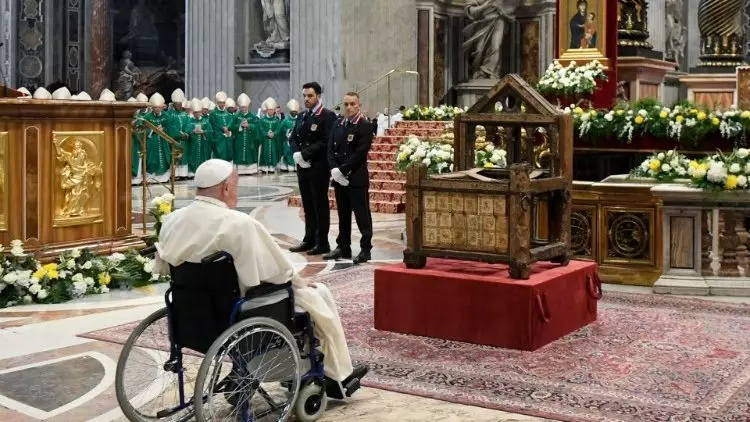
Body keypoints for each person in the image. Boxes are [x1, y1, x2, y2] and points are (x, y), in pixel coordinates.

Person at [154, 159, 368, 386]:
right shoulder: (239, 223)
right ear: (226, 188)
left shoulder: (173, 219)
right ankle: (339, 374)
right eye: (235, 187)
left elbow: (166, 264)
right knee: (318, 293)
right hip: (239, 309)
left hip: (190, 310)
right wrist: (299, 283)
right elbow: (278, 271)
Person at [324, 93, 373, 264]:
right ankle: (343, 247)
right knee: (343, 215)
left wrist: (342, 171)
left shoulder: (365, 126)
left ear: (359, 105)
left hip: (356, 178)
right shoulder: (338, 124)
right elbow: (330, 149)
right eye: (346, 104)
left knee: (362, 215)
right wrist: (334, 170)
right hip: (339, 178)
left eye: (353, 104)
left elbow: (360, 153)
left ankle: (366, 249)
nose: (349, 107)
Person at [288, 82, 337, 255]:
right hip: (303, 166)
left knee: (319, 205)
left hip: (318, 166)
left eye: (310, 96)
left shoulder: (327, 116)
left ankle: (322, 242)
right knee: (307, 204)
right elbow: (293, 137)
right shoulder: (302, 116)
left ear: (318, 96)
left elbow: (326, 141)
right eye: (304, 96)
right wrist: (297, 155)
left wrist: (305, 154)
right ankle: (309, 239)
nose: (306, 99)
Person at [137, 93, 172, 183]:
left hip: (163, 141)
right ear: (152, 107)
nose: (157, 109)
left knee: (164, 158)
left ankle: (164, 178)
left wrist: (163, 129)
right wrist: (153, 130)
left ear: (161, 107)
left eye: (158, 107)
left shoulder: (167, 116)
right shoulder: (147, 117)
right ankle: (151, 179)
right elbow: (141, 130)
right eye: (155, 107)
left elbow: (171, 128)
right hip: (151, 142)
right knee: (151, 159)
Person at [233, 93, 260, 175]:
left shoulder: (253, 116)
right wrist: (239, 125)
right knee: (239, 153)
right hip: (239, 140)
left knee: (249, 154)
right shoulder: (236, 116)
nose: (243, 108)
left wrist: (249, 126)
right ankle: (240, 170)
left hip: (249, 140)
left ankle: (250, 170)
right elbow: (232, 127)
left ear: (248, 107)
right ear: (240, 107)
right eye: (242, 107)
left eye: (245, 107)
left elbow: (257, 127)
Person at [186, 98, 214, 174]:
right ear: (193, 113)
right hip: (193, 144)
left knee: (203, 157)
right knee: (193, 157)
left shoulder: (205, 121)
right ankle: (192, 172)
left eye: (198, 112)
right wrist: (193, 132)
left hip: (203, 144)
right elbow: (187, 131)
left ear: (201, 112)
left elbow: (210, 131)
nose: (197, 114)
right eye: (195, 112)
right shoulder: (190, 120)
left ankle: (203, 172)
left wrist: (203, 132)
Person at [209, 91, 234, 162]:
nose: (222, 104)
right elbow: (214, 123)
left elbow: (231, 122)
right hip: (218, 138)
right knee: (219, 155)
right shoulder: (213, 113)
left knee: (228, 154)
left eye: (223, 103)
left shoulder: (227, 113)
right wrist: (222, 128)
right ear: (217, 103)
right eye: (220, 102)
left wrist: (228, 128)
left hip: (227, 138)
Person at [279, 99, 300, 172]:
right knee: (288, 152)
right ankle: (287, 165)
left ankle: (296, 166)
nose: (294, 112)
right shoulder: (285, 121)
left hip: (297, 142)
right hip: (287, 142)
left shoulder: (300, 120)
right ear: (290, 111)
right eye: (293, 111)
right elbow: (280, 132)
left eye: (295, 111)